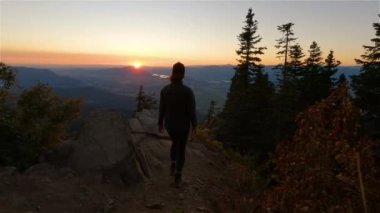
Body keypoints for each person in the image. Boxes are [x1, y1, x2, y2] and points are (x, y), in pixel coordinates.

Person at [158, 62, 197, 188]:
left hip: (170, 125)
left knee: (174, 143)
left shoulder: (164, 90)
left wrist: (160, 123)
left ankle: (173, 164)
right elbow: (191, 111)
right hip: (183, 126)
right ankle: (178, 176)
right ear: (183, 74)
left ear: (173, 73)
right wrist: (195, 125)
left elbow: (162, 109)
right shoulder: (187, 91)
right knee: (181, 148)